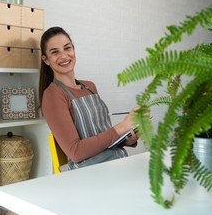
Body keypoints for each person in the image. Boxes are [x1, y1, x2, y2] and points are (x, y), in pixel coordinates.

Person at [39, 26, 144, 170]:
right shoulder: (53, 95)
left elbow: (102, 138)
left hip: (116, 162)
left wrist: (127, 139)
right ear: (46, 59)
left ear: (74, 50)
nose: (64, 56)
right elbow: (76, 152)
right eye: (55, 52)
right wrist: (121, 127)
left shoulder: (90, 86)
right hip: (89, 174)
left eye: (67, 48)